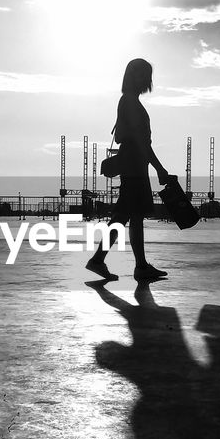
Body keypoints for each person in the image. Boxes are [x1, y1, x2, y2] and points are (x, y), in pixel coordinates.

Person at [86, 57, 171, 282]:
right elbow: (142, 142)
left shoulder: (128, 101)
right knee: (133, 216)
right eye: (142, 74)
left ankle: (100, 260)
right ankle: (138, 266)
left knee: (125, 216)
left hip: (133, 167)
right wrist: (159, 168)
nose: (146, 79)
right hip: (135, 167)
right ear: (133, 76)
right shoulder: (130, 103)